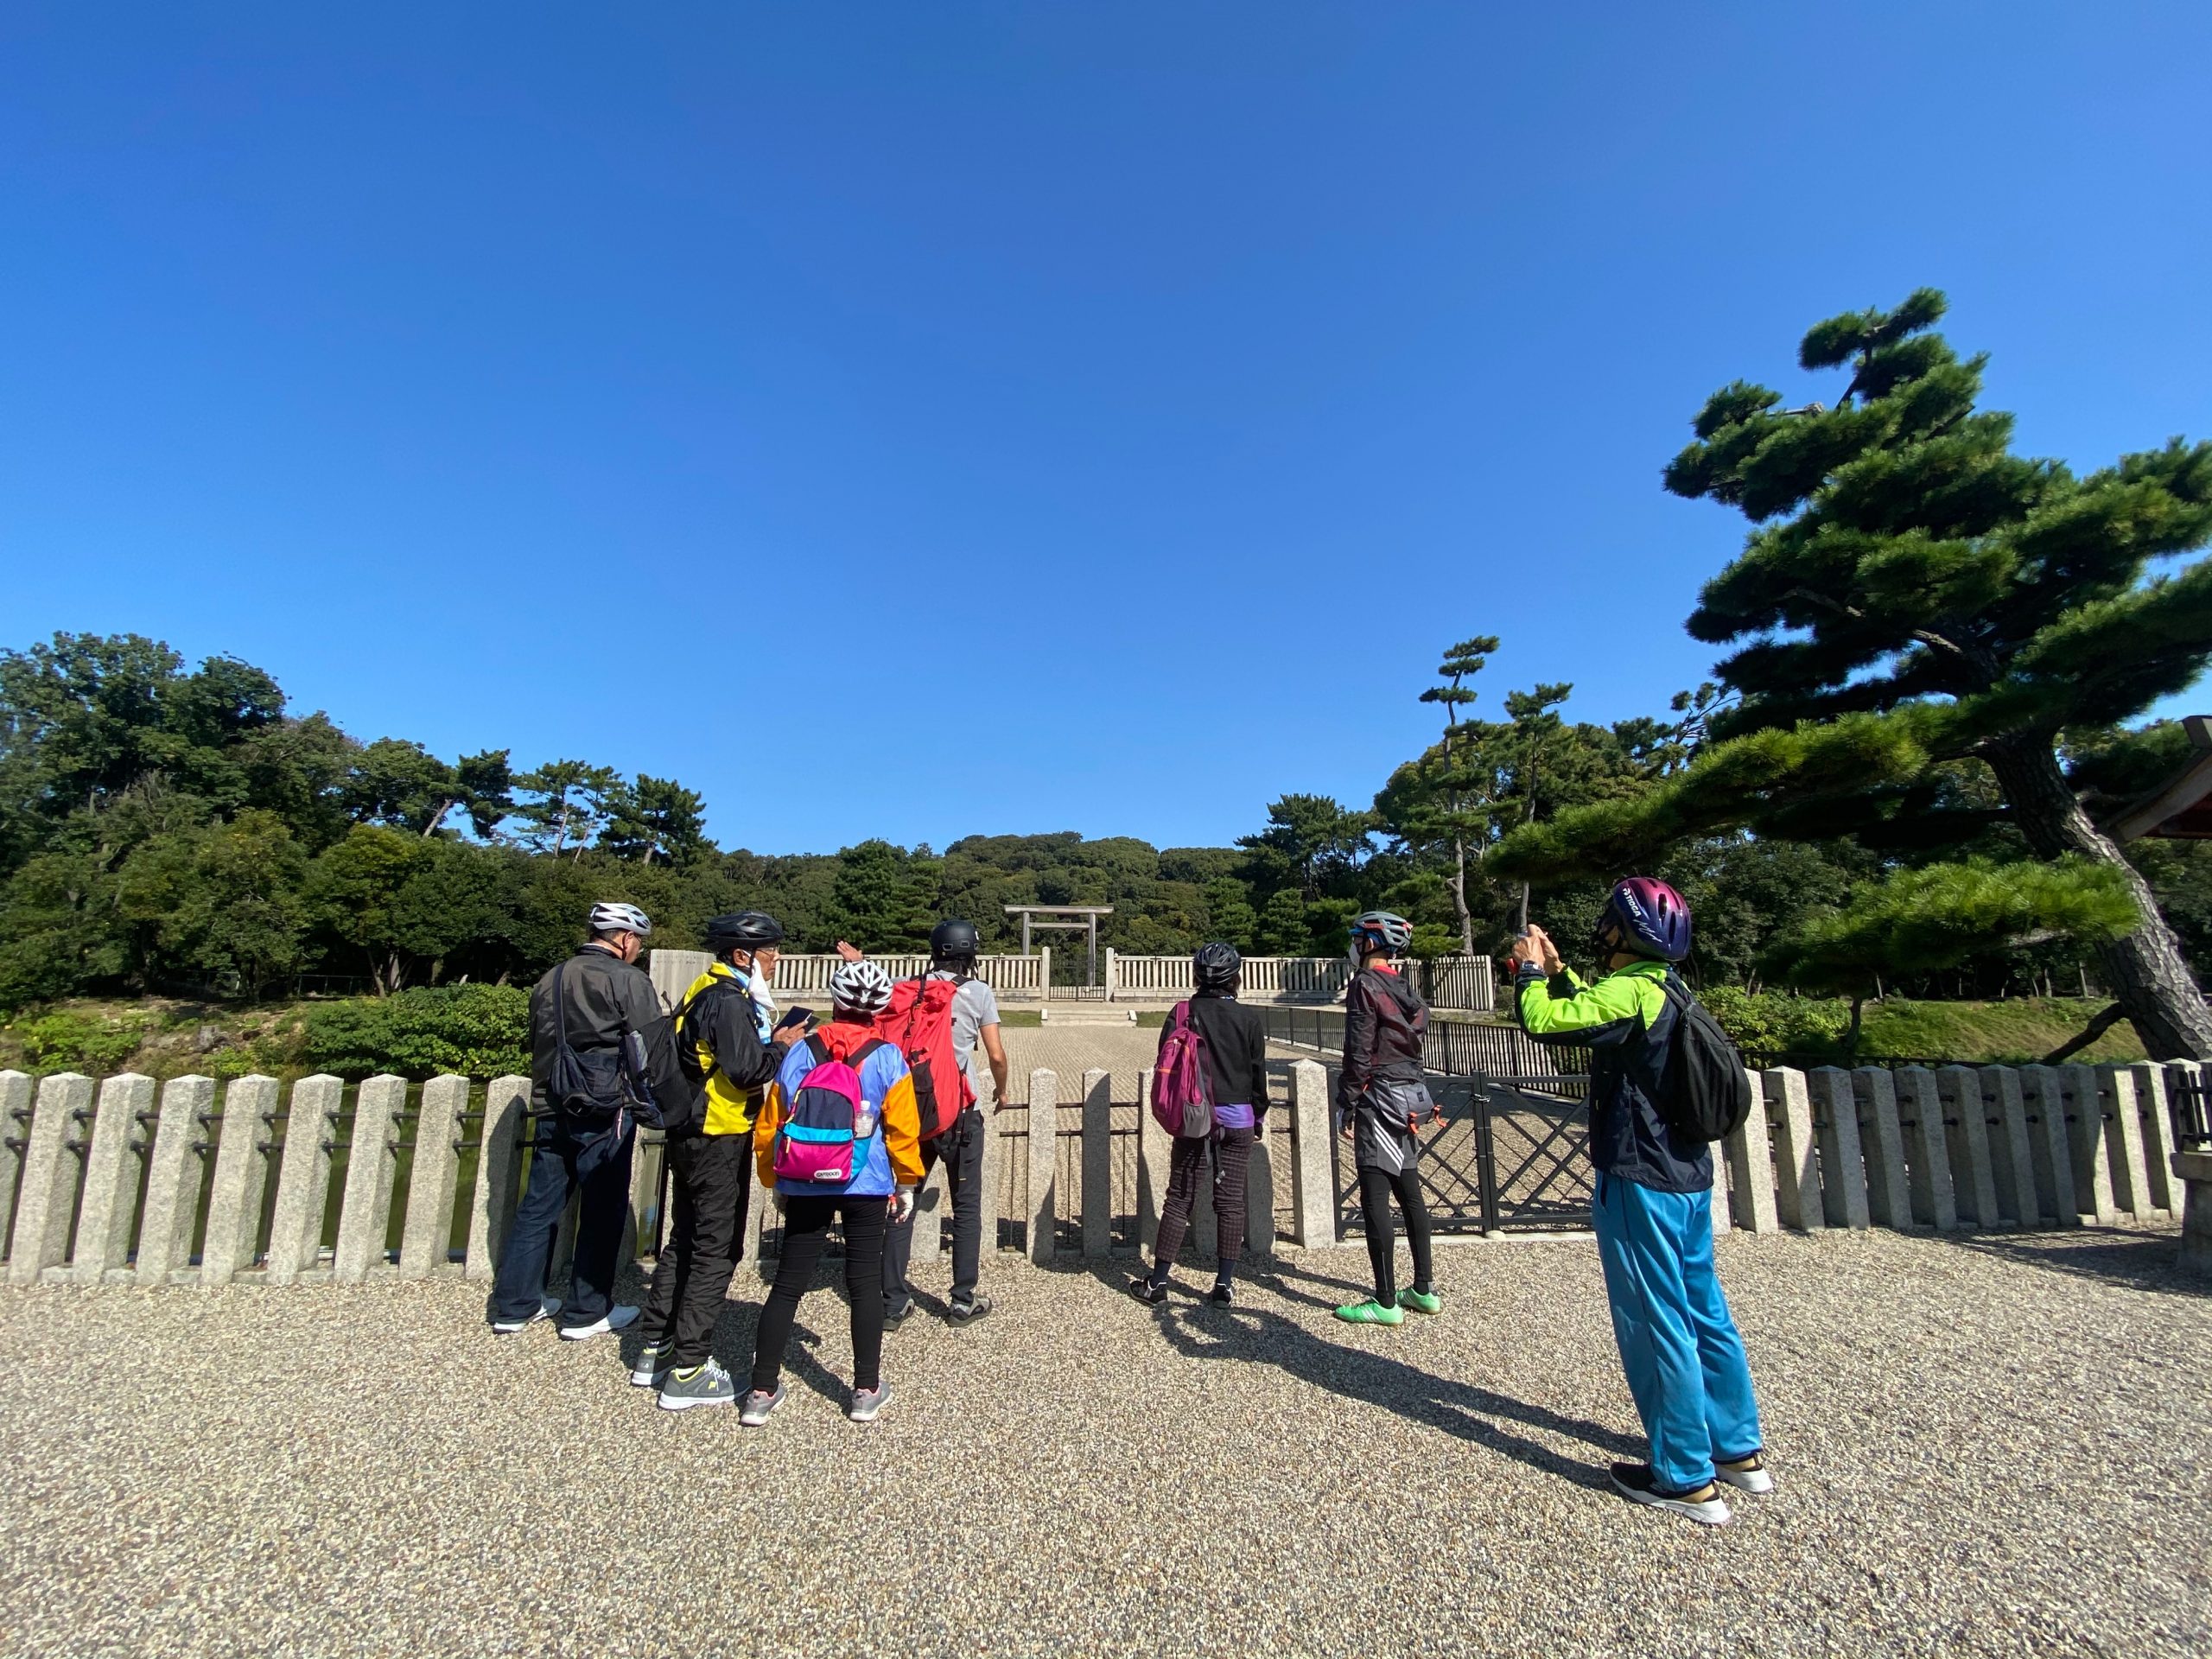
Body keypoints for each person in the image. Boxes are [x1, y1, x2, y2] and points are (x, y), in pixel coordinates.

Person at [1510, 878, 1771, 1527]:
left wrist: (1527, 973)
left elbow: (1546, 1023)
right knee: (1705, 1310)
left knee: (1656, 1320)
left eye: (1608, 922)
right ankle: (1735, 1447)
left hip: (1640, 1176)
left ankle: (1682, 1475)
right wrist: (1562, 969)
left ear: (1625, 933)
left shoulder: (1629, 990)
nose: (1602, 929)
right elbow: (1602, 1018)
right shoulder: (1667, 989)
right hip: (1688, 1173)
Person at [634, 911, 810, 1410]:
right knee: (716, 1247)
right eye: (770, 953)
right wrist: (780, 1045)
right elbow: (748, 1071)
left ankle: (656, 1343)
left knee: (684, 1237)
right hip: (719, 1133)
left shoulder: (701, 990)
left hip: (688, 1129)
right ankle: (689, 1368)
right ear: (742, 956)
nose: (775, 961)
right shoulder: (729, 1002)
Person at [741, 959, 921, 1427]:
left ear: (836, 1001)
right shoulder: (886, 1056)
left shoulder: (800, 1052)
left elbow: (771, 1123)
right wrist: (906, 1183)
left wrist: (774, 1180)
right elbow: (902, 1131)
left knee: (787, 1284)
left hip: (804, 1178)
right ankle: (865, 1389)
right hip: (866, 1181)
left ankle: (760, 1390)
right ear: (878, 1010)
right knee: (863, 1284)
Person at [489, 901, 668, 1341]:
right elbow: (651, 1045)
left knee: (538, 1205)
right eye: (637, 943)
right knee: (602, 1207)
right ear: (625, 940)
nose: (638, 951)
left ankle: (514, 1306)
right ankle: (585, 1310)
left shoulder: (550, 977)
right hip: (605, 1105)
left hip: (551, 1101)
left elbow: (537, 1037)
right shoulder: (628, 979)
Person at [865, 919, 1011, 1326]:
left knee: (902, 1200)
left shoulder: (904, 987)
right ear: (970, 953)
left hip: (911, 1110)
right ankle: (962, 1299)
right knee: (965, 1203)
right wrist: (1003, 1090)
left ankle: (893, 1301)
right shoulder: (977, 992)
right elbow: (996, 1054)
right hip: (960, 1110)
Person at [1128, 942, 1271, 1306]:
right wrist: (1258, 1114)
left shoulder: (1181, 1012)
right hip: (1238, 1117)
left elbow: (1165, 1060)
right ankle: (1223, 1285)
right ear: (1236, 977)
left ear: (1196, 976)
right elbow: (1258, 1074)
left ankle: (1158, 1282)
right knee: (1230, 1200)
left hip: (1195, 1115)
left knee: (1179, 1197)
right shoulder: (1249, 1018)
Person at [1333, 910, 1440, 1326]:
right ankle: (1423, 1289)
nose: (1353, 944)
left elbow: (1359, 1049)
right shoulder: (1402, 986)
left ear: (1370, 943)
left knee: (1375, 1193)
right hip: (1411, 1095)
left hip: (1378, 1097)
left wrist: (1348, 1099)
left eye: (1357, 936)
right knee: (1410, 1192)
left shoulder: (1364, 985)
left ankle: (1384, 1301)